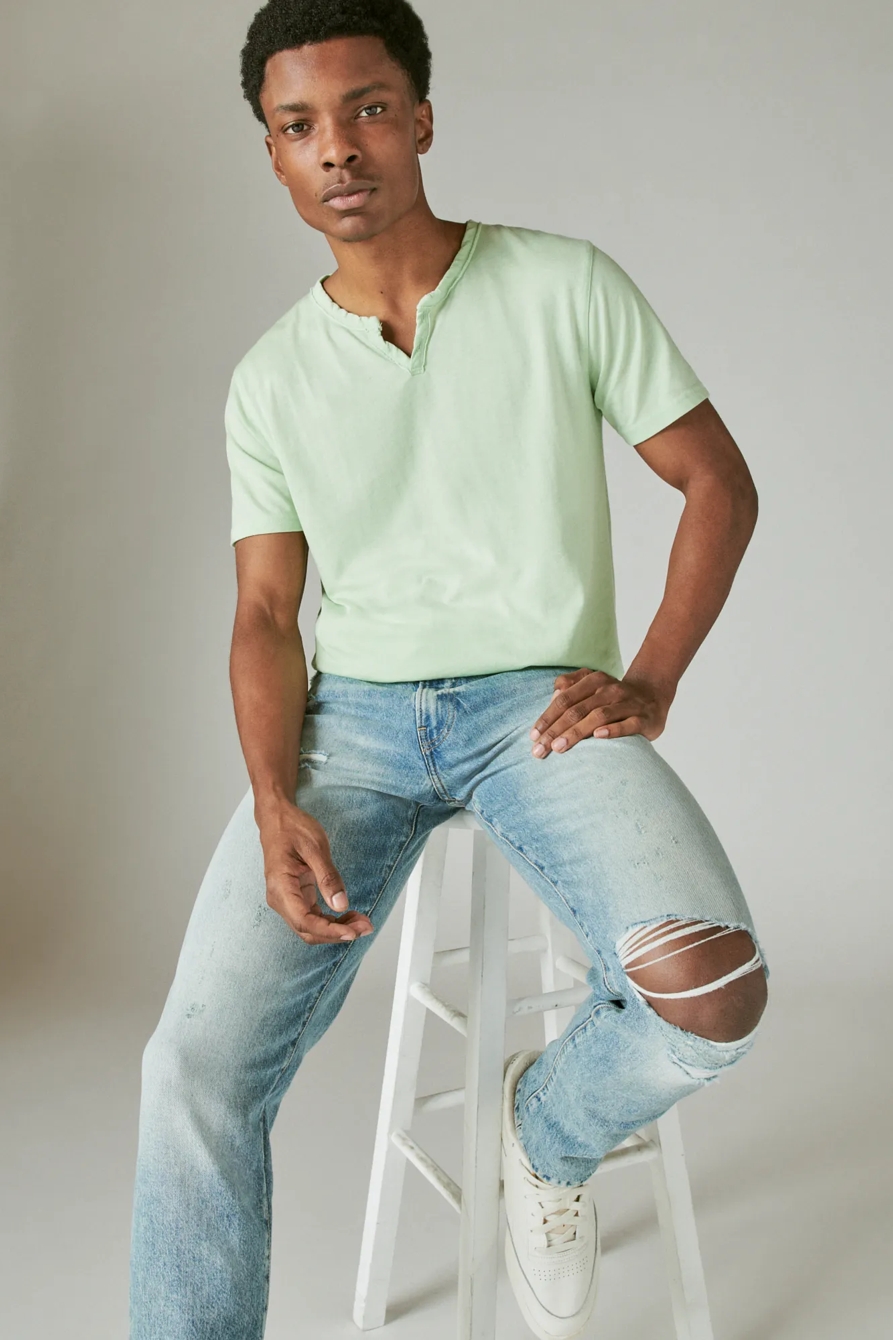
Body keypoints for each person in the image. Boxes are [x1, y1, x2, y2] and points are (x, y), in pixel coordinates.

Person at [128, 2, 770, 1337]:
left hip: (541, 708)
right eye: (298, 126)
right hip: (352, 727)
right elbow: (265, 612)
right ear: (272, 155)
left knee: (712, 997)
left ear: (419, 120)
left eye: (366, 109)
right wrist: (273, 796)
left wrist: (650, 678)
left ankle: (549, 1126)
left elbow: (715, 481)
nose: (337, 148)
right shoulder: (270, 379)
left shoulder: (562, 284)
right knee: (191, 1067)